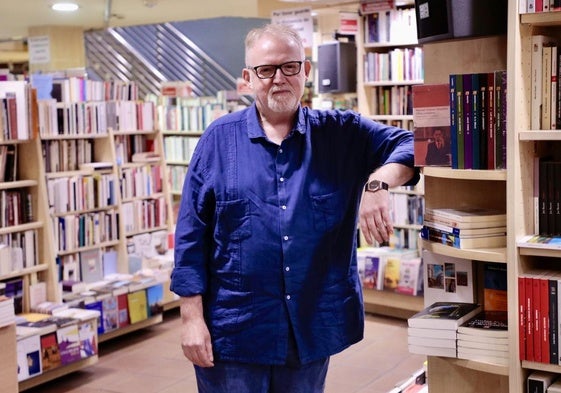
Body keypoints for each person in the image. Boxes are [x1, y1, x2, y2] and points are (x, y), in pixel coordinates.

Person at [170, 23, 418, 393]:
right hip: (234, 332)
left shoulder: (341, 133)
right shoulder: (218, 141)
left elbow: (416, 143)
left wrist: (377, 182)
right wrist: (191, 319)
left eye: (289, 67)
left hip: (309, 328)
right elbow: (191, 235)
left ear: (307, 71)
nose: (278, 79)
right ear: (248, 78)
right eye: (265, 70)